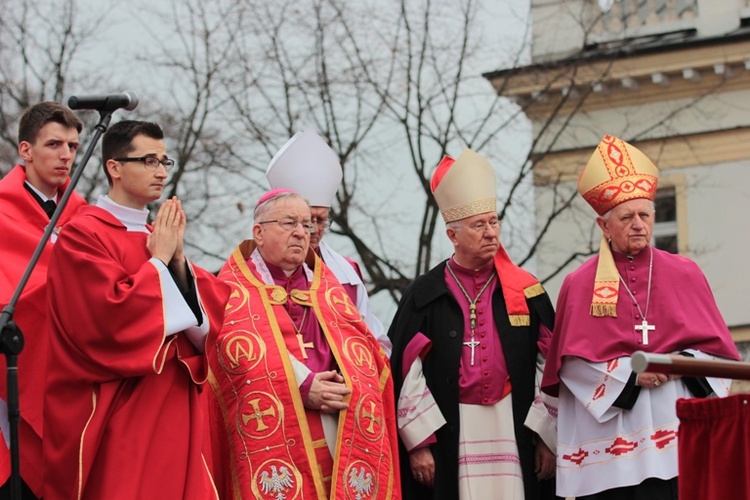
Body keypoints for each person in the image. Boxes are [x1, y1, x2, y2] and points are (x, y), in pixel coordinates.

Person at [541, 135, 740, 499]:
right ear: (604, 226)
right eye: (627, 217)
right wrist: (632, 376)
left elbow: (720, 354)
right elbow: (570, 365)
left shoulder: (685, 272)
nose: (638, 225)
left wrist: (680, 364)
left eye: (645, 215)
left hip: (677, 422)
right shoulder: (580, 283)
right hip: (614, 435)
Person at [43, 120, 230, 499]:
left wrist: (176, 263)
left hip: (175, 402)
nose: (161, 172)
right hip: (124, 408)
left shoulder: (155, 236)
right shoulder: (83, 234)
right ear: (114, 167)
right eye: (148, 160)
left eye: (165, 162)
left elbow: (208, 318)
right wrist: (160, 262)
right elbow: (105, 322)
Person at [206, 188, 400, 499]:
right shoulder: (230, 288)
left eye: (307, 225)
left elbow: (364, 349)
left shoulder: (327, 286)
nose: (301, 233)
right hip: (274, 428)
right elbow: (231, 350)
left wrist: (345, 382)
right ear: (259, 232)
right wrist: (302, 384)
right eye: (289, 223)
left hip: (337, 423)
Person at [388, 149, 557, 500]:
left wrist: (546, 437)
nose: (490, 232)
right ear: (453, 235)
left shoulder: (525, 290)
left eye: (494, 222)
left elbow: (549, 368)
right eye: (479, 225)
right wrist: (419, 443)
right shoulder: (425, 294)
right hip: (449, 432)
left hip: (514, 428)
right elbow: (406, 373)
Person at [0, 101, 84, 498]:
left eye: (73, 146)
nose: (66, 155)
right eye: (54, 144)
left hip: (76, 372)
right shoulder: (1, 213)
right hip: (16, 371)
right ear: (26, 150)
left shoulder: (85, 217)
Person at [266, 129, 391, 355]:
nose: (312, 229)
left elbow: (372, 338)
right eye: (304, 220)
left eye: (320, 220)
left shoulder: (347, 275)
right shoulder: (252, 273)